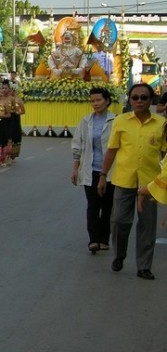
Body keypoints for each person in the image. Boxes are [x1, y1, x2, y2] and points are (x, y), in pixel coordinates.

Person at [98, 83, 166, 280]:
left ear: (151, 100)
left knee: (147, 226)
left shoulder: (161, 123)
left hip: (150, 184)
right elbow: (112, 150)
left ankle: (144, 266)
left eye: (144, 98)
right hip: (123, 180)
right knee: (119, 220)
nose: (139, 101)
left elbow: (165, 154)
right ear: (129, 100)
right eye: (135, 97)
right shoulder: (120, 121)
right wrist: (103, 176)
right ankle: (119, 255)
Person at [71, 87, 117, 254]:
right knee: (92, 205)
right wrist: (75, 168)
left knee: (107, 206)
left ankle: (104, 239)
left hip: (111, 171)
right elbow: (78, 145)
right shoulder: (86, 121)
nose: (95, 104)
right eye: (92, 101)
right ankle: (93, 240)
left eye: (98, 100)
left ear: (107, 101)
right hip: (90, 170)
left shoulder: (116, 121)